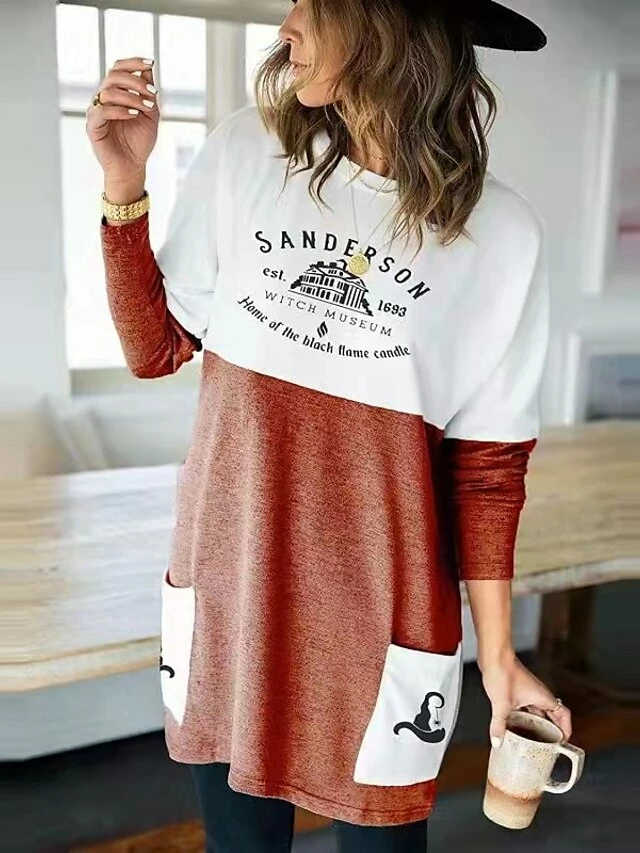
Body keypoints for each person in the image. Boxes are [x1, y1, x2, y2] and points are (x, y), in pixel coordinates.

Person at [87, 1, 572, 850]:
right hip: (234, 587)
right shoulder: (247, 153)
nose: (287, 24)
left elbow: (487, 473)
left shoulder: (501, 235)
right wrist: (124, 186)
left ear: (385, 21)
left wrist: (499, 660)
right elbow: (154, 347)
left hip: (385, 619)